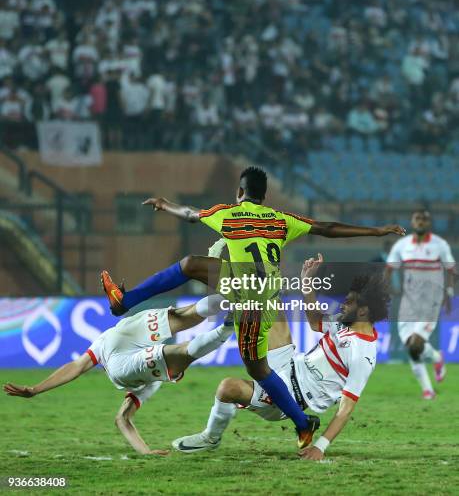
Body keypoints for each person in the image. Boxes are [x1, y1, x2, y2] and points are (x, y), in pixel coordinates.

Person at [101, 166, 405, 449]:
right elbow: (327, 227)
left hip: (251, 301)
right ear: (264, 197)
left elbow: (191, 214)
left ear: (239, 193)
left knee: (255, 366)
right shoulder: (280, 219)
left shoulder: (228, 214)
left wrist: (165, 205)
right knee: (194, 267)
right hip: (262, 295)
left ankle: (303, 424)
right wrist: (376, 231)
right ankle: (124, 302)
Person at [172, 253, 389, 461]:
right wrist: (306, 282)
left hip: (292, 396)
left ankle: (210, 437)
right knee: (269, 299)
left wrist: (320, 447)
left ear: (363, 312)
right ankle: (234, 301)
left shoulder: (363, 354)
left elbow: (346, 408)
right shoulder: (344, 323)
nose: (343, 304)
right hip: (289, 363)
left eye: (349, 302)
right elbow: (314, 321)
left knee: (227, 388)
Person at [3, 296, 233, 455]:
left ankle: (231, 312)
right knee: (183, 329)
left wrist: (146, 452)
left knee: (184, 327)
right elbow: (121, 418)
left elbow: (120, 417)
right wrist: (34, 390)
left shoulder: (145, 381)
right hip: (124, 342)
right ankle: (234, 307)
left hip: (122, 345)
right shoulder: (146, 382)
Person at [386, 209, 455, 399]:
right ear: (412, 222)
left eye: (424, 219)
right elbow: (389, 269)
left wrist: (448, 293)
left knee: (416, 344)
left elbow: (451, 270)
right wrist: (387, 290)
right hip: (408, 303)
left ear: (429, 223)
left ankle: (429, 385)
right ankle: (433, 371)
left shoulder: (439, 245)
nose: (421, 222)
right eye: (417, 219)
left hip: (430, 302)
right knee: (411, 347)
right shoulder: (402, 245)